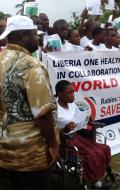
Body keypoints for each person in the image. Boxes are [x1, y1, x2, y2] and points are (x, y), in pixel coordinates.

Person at [0, 15, 58, 190]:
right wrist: (53, 146)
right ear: (23, 36)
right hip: (32, 152)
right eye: (35, 34)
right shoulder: (31, 66)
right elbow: (42, 113)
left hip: (5, 148)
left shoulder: (1, 59)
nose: (38, 38)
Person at [55, 80, 111, 189]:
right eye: (69, 93)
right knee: (91, 156)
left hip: (76, 137)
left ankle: (95, 179)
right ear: (60, 94)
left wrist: (88, 119)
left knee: (103, 149)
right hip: (64, 141)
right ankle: (93, 182)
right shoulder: (54, 109)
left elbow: (79, 118)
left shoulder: (72, 105)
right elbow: (51, 131)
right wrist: (64, 129)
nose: (73, 95)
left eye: (73, 92)